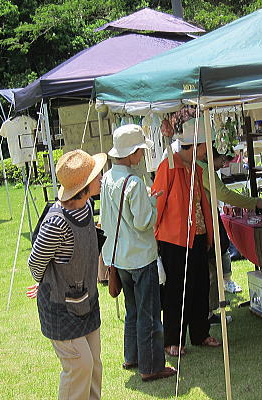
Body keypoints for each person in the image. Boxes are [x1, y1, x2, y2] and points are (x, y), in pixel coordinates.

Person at [27, 149, 107, 400]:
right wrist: (47, 282)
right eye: (96, 175)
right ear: (83, 187)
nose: (101, 178)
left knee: (93, 365)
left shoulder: (87, 206)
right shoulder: (56, 223)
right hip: (60, 307)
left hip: (87, 301)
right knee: (79, 365)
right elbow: (35, 264)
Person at [100, 124, 176, 382]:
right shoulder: (133, 182)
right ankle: (151, 366)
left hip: (119, 256)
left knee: (133, 310)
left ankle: (132, 356)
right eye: (140, 150)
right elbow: (144, 222)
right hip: (140, 256)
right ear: (131, 153)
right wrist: (153, 202)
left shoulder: (107, 178)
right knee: (149, 313)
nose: (143, 155)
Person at [153, 117, 220, 357]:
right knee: (176, 291)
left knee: (200, 286)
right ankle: (173, 340)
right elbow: (157, 203)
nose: (207, 151)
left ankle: (200, 333)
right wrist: (155, 234)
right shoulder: (169, 166)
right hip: (175, 240)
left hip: (198, 236)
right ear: (196, 145)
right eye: (205, 146)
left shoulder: (195, 168)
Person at [197, 146, 262, 324]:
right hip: (205, 222)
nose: (223, 165)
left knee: (210, 268)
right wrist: (255, 202)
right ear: (211, 157)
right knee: (210, 269)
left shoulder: (199, 167)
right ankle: (207, 313)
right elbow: (224, 194)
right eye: (222, 160)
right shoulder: (205, 169)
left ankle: (206, 312)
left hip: (203, 221)